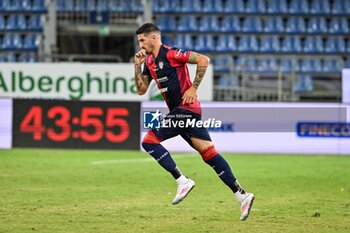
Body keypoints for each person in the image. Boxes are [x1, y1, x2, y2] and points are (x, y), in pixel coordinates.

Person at [134, 23, 254, 221]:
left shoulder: (172, 54)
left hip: (186, 109)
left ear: (154, 38)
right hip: (181, 113)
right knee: (209, 154)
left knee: (149, 141)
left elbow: (203, 59)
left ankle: (182, 180)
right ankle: (242, 195)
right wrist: (136, 66)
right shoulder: (148, 62)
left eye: (142, 40)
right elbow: (140, 90)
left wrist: (193, 88)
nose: (140, 44)